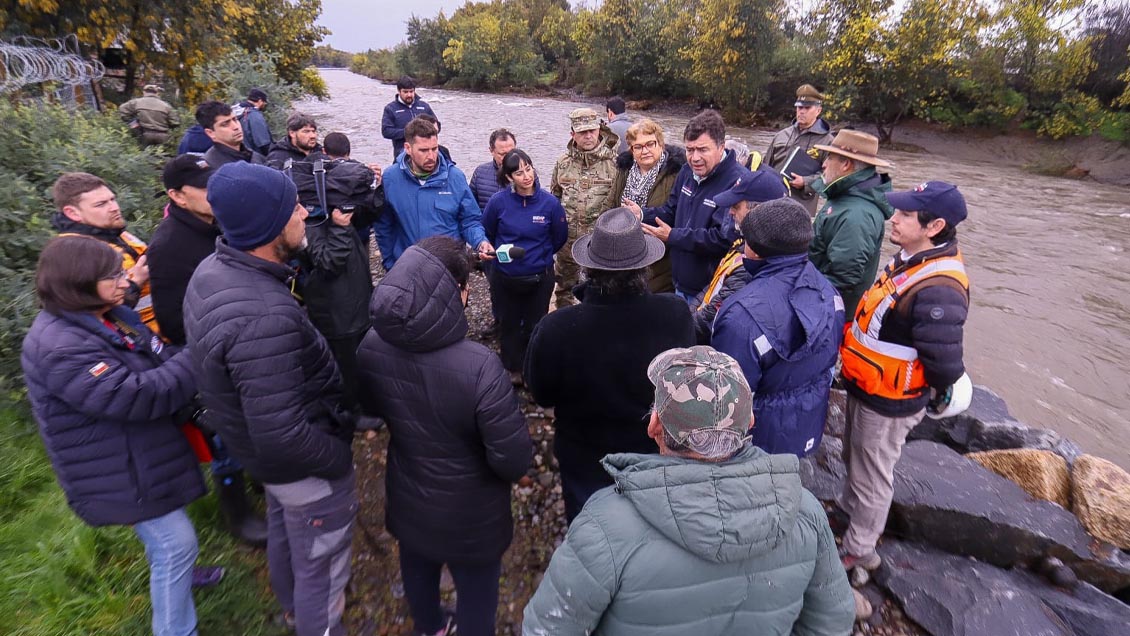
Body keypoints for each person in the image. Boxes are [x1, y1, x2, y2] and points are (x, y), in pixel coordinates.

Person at [522, 346, 856, 636]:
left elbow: (547, 627)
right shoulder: (806, 511)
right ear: (750, 422)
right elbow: (832, 620)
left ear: (655, 427)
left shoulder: (604, 527)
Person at [184, 162, 357, 636]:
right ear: (271, 226)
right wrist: (336, 457)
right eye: (293, 206)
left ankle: (292, 609)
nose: (304, 211)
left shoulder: (212, 270)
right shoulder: (264, 313)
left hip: (259, 457)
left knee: (285, 531)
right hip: (299, 467)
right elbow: (282, 434)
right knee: (322, 569)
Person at [22, 236, 216, 636]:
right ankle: (177, 630)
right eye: (111, 275)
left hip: (135, 453)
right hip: (117, 467)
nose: (124, 278)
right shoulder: (60, 347)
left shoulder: (108, 315)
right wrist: (200, 356)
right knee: (176, 546)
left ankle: (180, 587)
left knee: (169, 544)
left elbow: (157, 353)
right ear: (76, 285)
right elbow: (137, 396)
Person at [356, 236, 532, 636]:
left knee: (417, 565)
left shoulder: (370, 345)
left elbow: (374, 407)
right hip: (473, 514)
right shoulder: (480, 366)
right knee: (478, 591)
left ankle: (430, 626)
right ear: (456, 291)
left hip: (409, 494)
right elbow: (512, 459)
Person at [525, 208, 696, 521]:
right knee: (650, 527)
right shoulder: (675, 313)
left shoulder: (556, 328)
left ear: (589, 269)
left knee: (588, 528)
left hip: (585, 455)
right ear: (645, 265)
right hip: (653, 451)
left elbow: (542, 393)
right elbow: (685, 381)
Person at [839, 181, 971, 573]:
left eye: (905, 215)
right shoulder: (911, 258)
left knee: (872, 475)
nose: (892, 219)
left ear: (935, 226)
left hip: (890, 402)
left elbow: (945, 363)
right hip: (867, 385)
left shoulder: (940, 289)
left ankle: (860, 549)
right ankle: (850, 516)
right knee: (854, 457)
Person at [148, 155, 270, 547]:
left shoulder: (216, 225)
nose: (213, 195)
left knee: (254, 417)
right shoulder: (167, 245)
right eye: (204, 189)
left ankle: (262, 476)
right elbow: (169, 320)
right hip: (210, 355)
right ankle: (238, 514)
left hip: (244, 343)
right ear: (177, 197)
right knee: (224, 434)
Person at [711, 198, 844, 457]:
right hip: (806, 423)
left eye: (746, 241)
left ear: (757, 251)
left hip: (755, 440)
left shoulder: (741, 315)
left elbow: (730, 396)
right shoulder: (830, 293)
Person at [623, 109, 750, 309]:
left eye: (702, 149)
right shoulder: (687, 172)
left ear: (721, 146)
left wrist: (673, 236)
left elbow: (723, 238)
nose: (694, 158)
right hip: (680, 282)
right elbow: (671, 211)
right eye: (690, 150)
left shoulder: (738, 182)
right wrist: (642, 213)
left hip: (710, 289)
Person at [482, 149, 568, 381]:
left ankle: (532, 372)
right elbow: (488, 231)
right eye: (519, 173)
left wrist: (538, 256)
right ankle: (512, 370)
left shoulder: (550, 204)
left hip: (539, 277)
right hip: (505, 277)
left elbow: (559, 237)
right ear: (509, 178)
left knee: (535, 325)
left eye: (528, 169)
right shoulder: (498, 202)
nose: (526, 176)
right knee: (508, 324)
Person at [50, 172, 158, 335]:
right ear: (73, 213)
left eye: (112, 199)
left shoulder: (114, 232)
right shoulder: (76, 253)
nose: (114, 207)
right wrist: (135, 283)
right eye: (101, 204)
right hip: (135, 336)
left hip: (160, 326)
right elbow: (93, 311)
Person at [377, 117, 491, 272]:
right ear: (407, 148)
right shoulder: (391, 178)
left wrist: (480, 242)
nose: (431, 156)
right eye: (423, 150)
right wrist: (390, 262)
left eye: (434, 148)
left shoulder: (455, 177)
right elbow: (384, 224)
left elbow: (470, 220)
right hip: (407, 268)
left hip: (449, 269)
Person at [693, 169, 789, 343]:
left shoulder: (755, 261)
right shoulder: (743, 242)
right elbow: (713, 287)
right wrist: (691, 310)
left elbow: (713, 317)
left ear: (758, 210)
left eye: (736, 206)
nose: (730, 212)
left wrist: (683, 326)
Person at [808, 129, 893, 319]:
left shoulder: (856, 214)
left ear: (846, 164)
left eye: (829, 158)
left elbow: (842, 279)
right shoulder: (845, 199)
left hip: (827, 315)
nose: (823, 164)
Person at [601, 118, 687, 293]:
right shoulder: (624, 170)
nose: (645, 151)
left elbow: (677, 215)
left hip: (661, 262)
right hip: (624, 254)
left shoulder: (676, 173)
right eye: (638, 147)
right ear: (631, 150)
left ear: (660, 144)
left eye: (650, 144)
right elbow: (610, 205)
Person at [549, 107, 618, 308]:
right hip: (567, 242)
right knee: (564, 289)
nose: (588, 136)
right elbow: (554, 199)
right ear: (573, 134)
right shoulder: (562, 163)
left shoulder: (614, 163)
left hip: (600, 243)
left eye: (592, 131)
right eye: (582, 132)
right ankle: (565, 329)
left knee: (602, 290)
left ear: (600, 129)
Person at [765, 84, 834, 215]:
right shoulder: (781, 135)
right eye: (799, 107)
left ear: (818, 111)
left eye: (807, 108)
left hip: (801, 209)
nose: (801, 111)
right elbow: (765, 167)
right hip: (771, 203)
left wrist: (805, 182)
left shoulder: (827, 142)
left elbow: (830, 178)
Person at [381, 75, 438, 159]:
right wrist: (410, 132)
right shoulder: (390, 109)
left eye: (411, 91)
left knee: (444, 154)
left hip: (426, 151)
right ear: (399, 91)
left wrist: (435, 128)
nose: (409, 95)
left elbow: (437, 125)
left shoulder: (424, 106)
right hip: (402, 152)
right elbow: (386, 131)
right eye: (405, 92)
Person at [196, 100, 267, 167]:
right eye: (225, 124)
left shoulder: (255, 157)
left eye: (235, 119)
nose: (236, 127)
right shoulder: (211, 166)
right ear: (210, 133)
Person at [469, 128, 516, 211]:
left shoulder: (527, 174)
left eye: (511, 153)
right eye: (502, 154)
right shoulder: (480, 173)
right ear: (491, 150)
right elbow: (469, 208)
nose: (508, 158)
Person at [237, 88, 273, 156]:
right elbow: (263, 143)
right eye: (264, 102)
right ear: (259, 101)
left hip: (241, 156)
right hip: (256, 158)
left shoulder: (237, 113)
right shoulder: (254, 115)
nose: (265, 104)